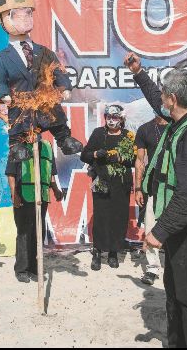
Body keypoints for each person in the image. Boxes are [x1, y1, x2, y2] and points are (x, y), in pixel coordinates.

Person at [126, 53, 187, 349]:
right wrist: (138, 73)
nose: (161, 99)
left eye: (164, 95)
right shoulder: (184, 117)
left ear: (173, 99)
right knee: (176, 290)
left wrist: (159, 232)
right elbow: (154, 97)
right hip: (181, 222)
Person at [0, 0, 83, 163]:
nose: (23, 18)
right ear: (1, 20)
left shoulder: (44, 52)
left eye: (27, 13)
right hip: (21, 101)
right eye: (14, 14)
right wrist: (3, 95)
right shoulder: (2, 58)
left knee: (54, 112)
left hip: (44, 98)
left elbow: (57, 70)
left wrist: (64, 87)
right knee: (18, 120)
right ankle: (17, 145)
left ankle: (64, 139)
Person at [81, 105, 137, 271]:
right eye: (108, 117)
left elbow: (135, 159)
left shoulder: (128, 136)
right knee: (101, 217)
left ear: (121, 119)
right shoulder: (99, 133)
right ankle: (97, 252)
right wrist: (96, 154)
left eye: (115, 117)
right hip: (102, 182)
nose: (111, 120)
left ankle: (113, 253)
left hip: (121, 184)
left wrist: (119, 158)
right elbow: (84, 155)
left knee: (119, 217)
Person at [6, 138, 63, 283]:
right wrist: (14, 194)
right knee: (24, 233)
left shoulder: (47, 146)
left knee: (38, 233)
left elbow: (50, 172)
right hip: (24, 195)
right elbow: (11, 173)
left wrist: (55, 189)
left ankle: (34, 268)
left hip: (42, 196)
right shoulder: (18, 145)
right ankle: (21, 269)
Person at [134, 115, 168, 286]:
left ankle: (177, 264)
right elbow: (140, 161)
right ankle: (153, 268)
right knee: (150, 225)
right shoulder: (145, 129)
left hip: (176, 186)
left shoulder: (179, 126)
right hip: (154, 186)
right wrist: (138, 188)